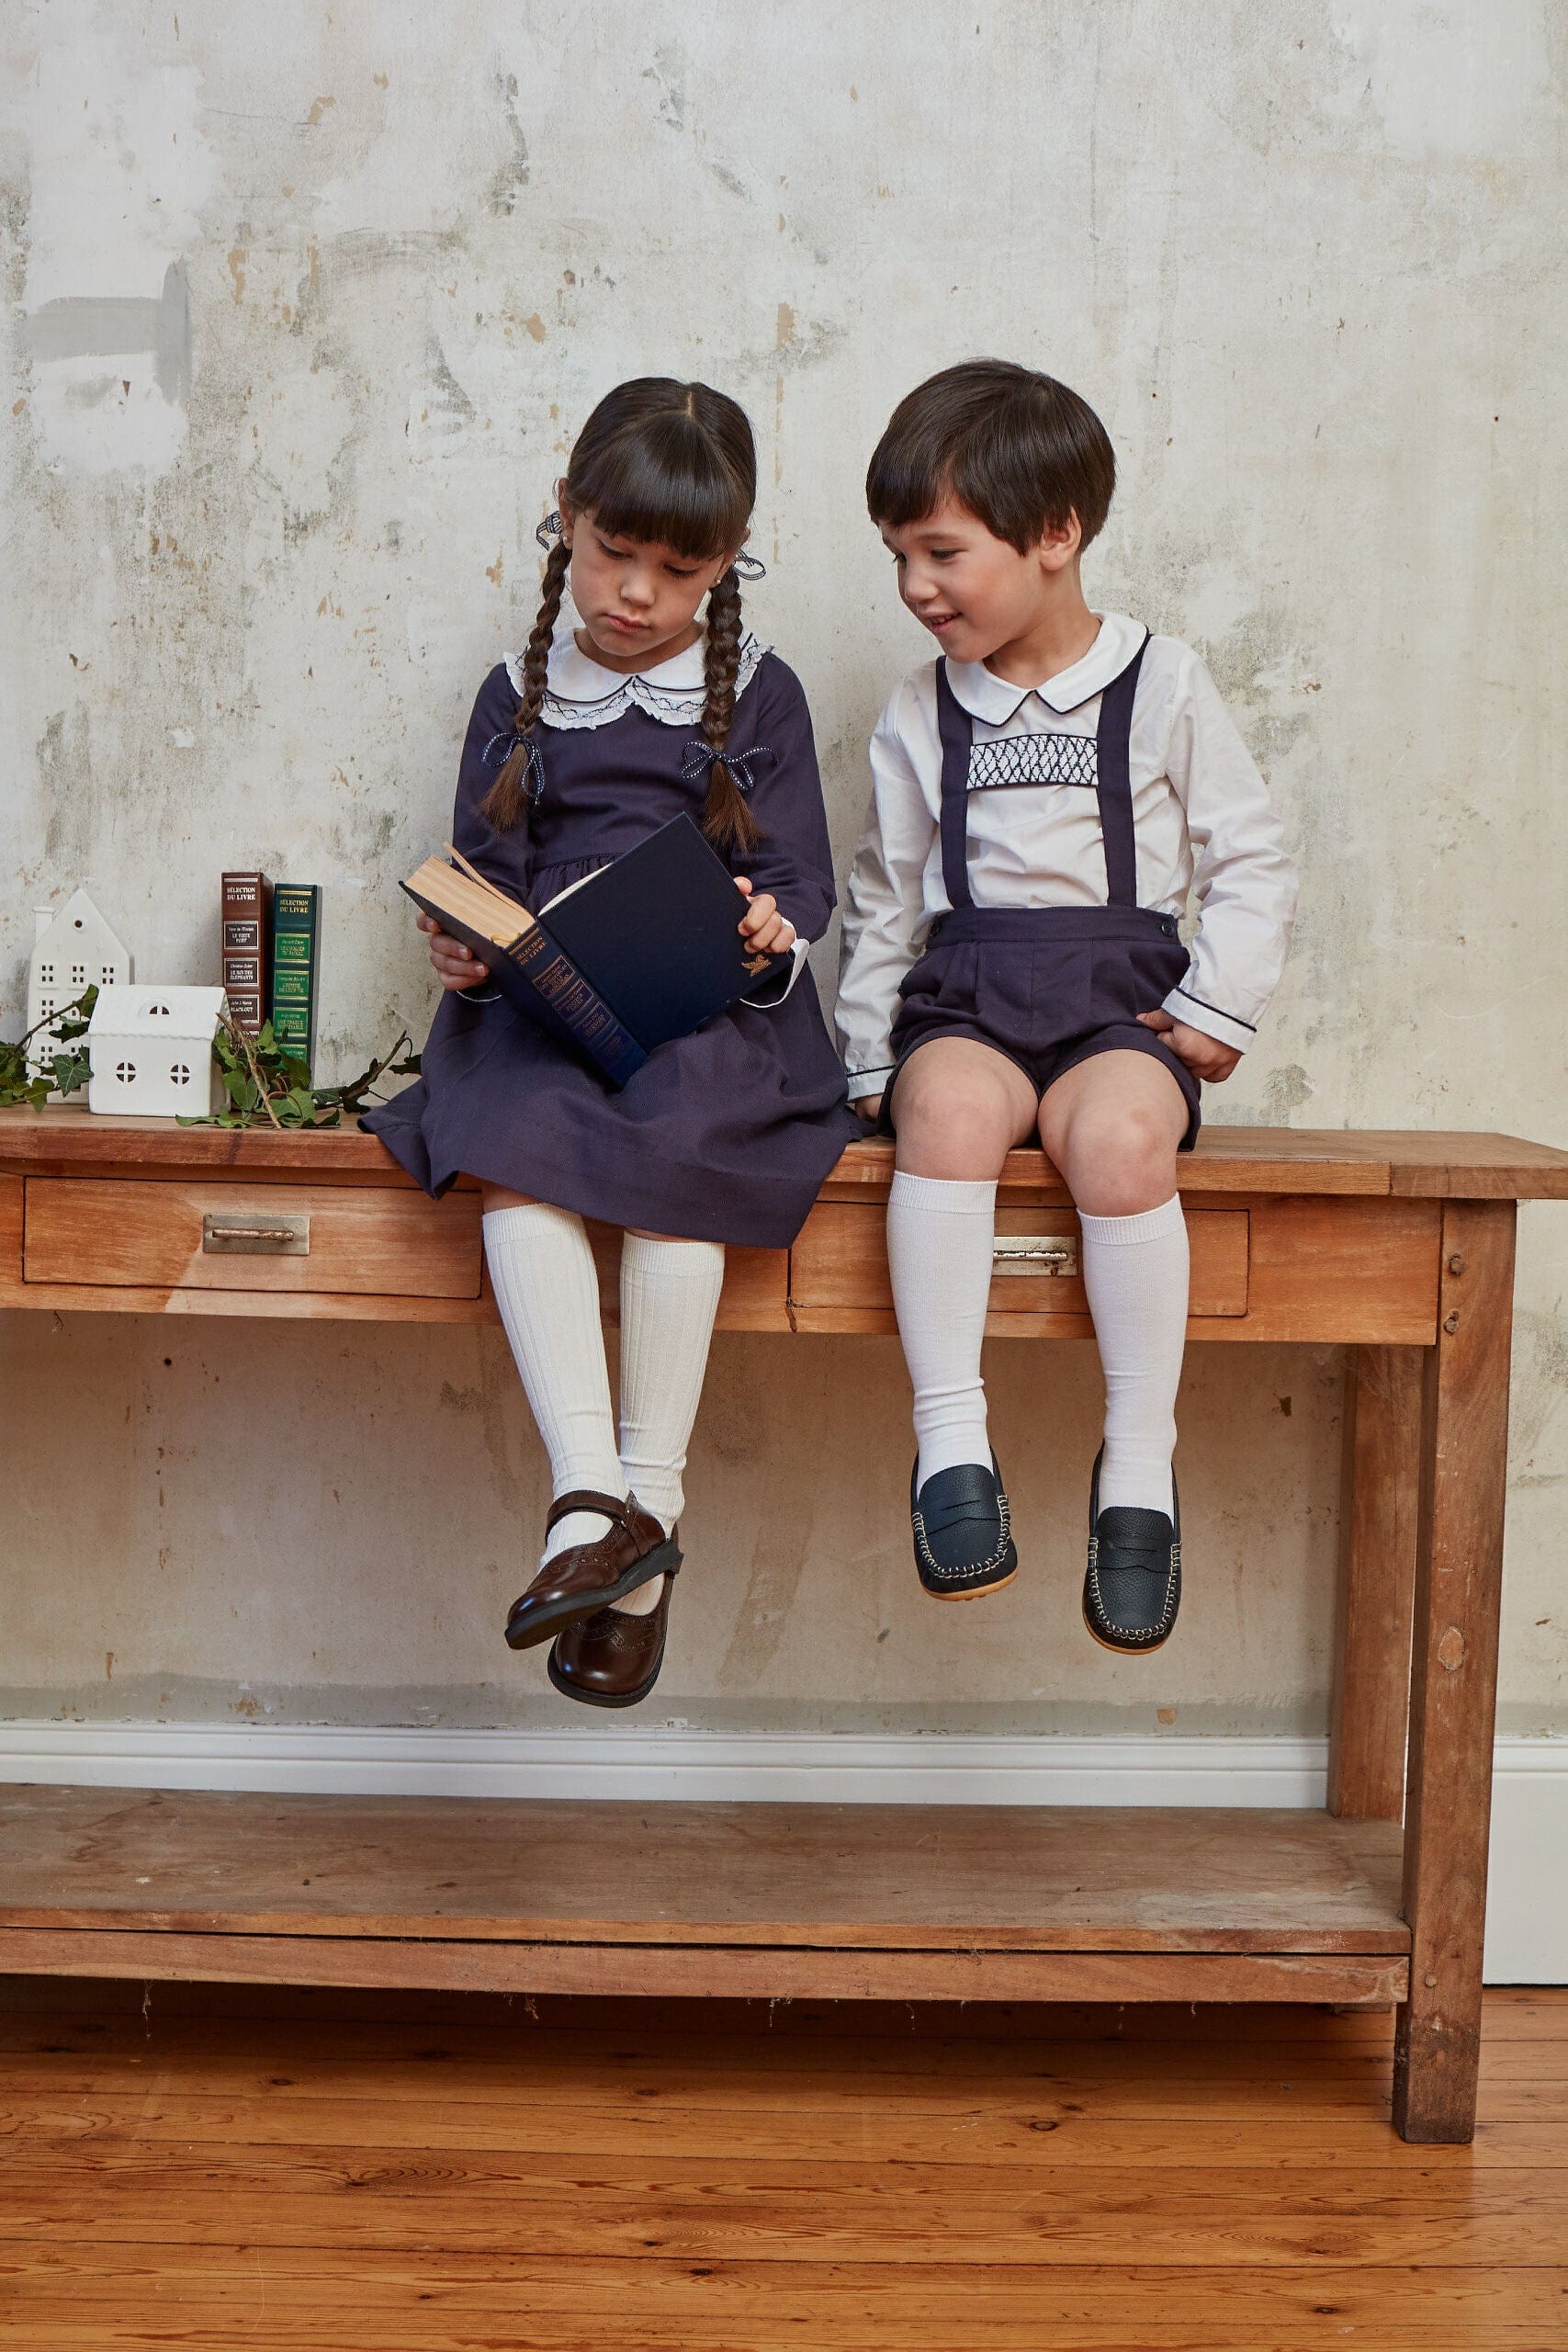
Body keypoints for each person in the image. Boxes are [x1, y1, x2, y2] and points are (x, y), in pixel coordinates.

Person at [366, 378, 855, 1707]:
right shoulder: (516, 692)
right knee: (514, 1139)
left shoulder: (759, 691)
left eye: (675, 570)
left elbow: (804, 880)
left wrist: (765, 926)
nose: (635, 592)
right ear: (562, 521)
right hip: (546, 1010)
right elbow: (479, 870)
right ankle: (599, 1506)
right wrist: (465, 944)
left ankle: (640, 1512)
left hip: (705, 1006)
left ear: (726, 567)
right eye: (610, 554)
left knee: (682, 1142)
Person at [836, 360, 1297, 1652]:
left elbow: (1250, 857)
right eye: (897, 559)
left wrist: (1221, 1003)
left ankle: (1139, 1466)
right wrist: (870, 1049)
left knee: (1121, 1144)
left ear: (1055, 536)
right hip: (970, 992)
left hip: (1119, 1005)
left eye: (941, 552)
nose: (917, 588)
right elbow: (886, 889)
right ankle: (949, 1444)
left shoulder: (1165, 683)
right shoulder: (924, 709)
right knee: (942, 1115)